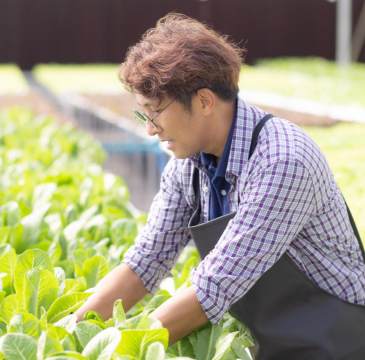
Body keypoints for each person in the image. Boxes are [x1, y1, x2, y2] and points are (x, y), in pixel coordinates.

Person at [75, 13, 365, 359]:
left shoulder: (283, 160)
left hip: (337, 342)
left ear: (204, 102)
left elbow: (215, 286)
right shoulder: (189, 164)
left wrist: (122, 350)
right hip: (272, 340)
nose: (151, 128)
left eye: (155, 111)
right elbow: (147, 260)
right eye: (144, 114)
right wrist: (73, 333)